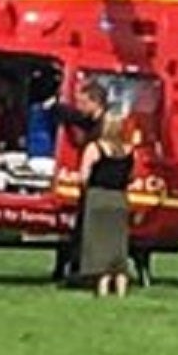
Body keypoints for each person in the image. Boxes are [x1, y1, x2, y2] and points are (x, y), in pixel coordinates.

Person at [50, 79, 108, 284]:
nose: (80, 107)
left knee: (87, 230)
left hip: (97, 185)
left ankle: (83, 272)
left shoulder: (103, 128)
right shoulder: (95, 122)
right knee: (81, 229)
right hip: (94, 187)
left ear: (96, 102)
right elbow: (76, 118)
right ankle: (76, 269)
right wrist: (58, 108)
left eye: (83, 103)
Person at [75, 110, 136, 297]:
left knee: (99, 246)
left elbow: (83, 176)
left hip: (98, 198)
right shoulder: (128, 150)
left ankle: (102, 288)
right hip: (119, 199)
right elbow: (131, 177)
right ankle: (121, 289)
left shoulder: (94, 148)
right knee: (119, 247)